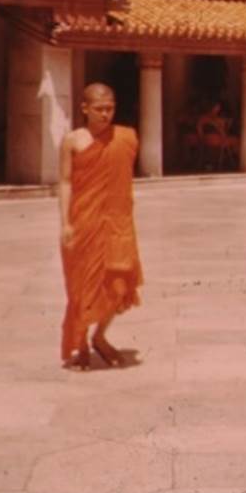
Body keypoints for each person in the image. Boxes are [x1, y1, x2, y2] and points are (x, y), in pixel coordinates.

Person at [58, 82, 143, 371]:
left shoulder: (126, 137)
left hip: (117, 221)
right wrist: (65, 223)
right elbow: (66, 181)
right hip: (84, 221)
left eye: (110, 109)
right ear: (84, 108)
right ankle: (80, 343)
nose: (106, 114)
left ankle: (100, 337)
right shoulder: (73, 140)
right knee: (83, 285)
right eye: (99, 109)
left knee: (119, 283)